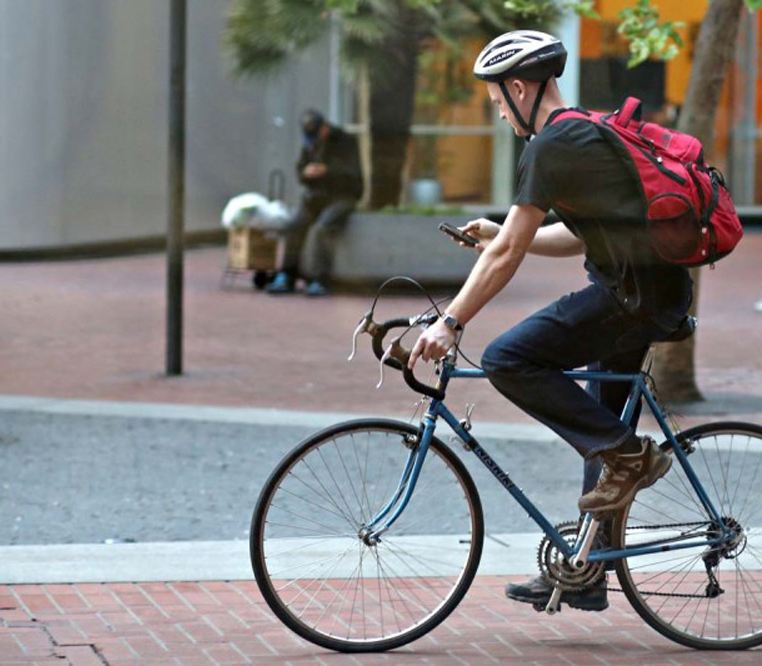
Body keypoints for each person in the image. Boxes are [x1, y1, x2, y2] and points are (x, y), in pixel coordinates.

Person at [408, 30, 693, 612]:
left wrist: (451, 322)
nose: (497, 111)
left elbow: (507, 254)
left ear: (519, 88)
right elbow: (572, 237)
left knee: (508, 359)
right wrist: (503, 233)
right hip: (644, 294)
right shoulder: (581, 131)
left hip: (631, 300)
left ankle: (631, 457)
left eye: (497, 98)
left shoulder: (553, 144)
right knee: (599, 434)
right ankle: (588, 570)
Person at [266, 109, 363, 296]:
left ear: (324, 128)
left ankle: (320, 280)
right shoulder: (309, 144)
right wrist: (306, 173)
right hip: (316, 196)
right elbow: (300, 171)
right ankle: (287, 275)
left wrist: (327, 171)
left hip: (342, 197)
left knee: (322, 229)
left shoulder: (346, 142)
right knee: (293, 226)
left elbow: (354, 176)